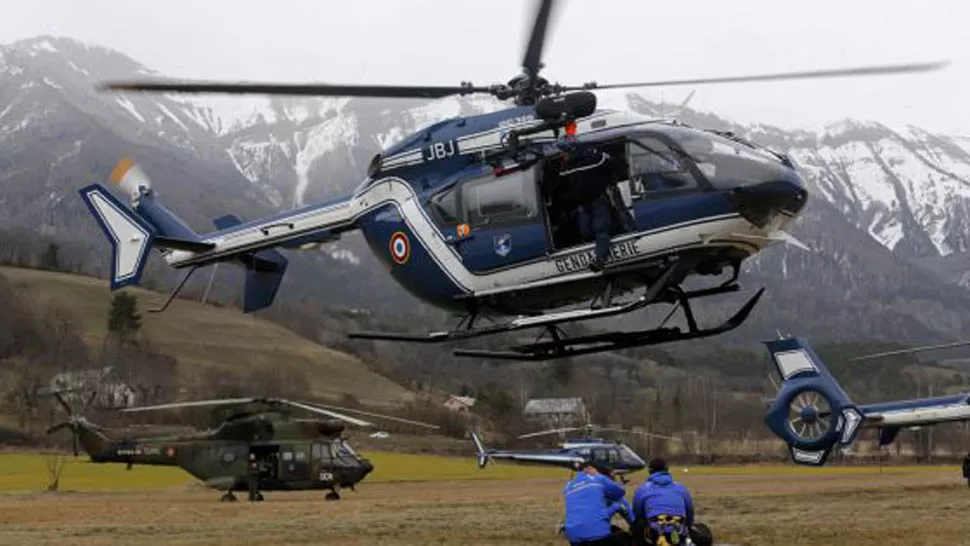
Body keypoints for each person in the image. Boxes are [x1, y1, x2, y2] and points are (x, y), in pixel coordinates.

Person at [552, 139, 615, 272]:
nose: (562, 155)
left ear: (572, 151)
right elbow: (563, 187)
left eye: (564, 152)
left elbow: (611, 164)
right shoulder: (567, 166)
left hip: (598, 198)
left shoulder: (592, 159)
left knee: (601, 228)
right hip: (583, 202)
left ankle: (600, 260)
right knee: (585, 230)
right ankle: (601, 246)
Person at [562, 461, 633, 545]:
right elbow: (620, 492)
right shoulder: (598, 479)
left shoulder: (568, 486)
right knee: (625, 537)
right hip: (597, 538)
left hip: (573, 539)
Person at [631, 458, 694, 546]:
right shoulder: (681, 488)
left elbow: (637, 513)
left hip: (654, 533)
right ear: (667, 470)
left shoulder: (642, 489)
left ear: (650, 471)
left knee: (638, 525)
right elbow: (690, 511)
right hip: (679, 531)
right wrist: (689, 526)